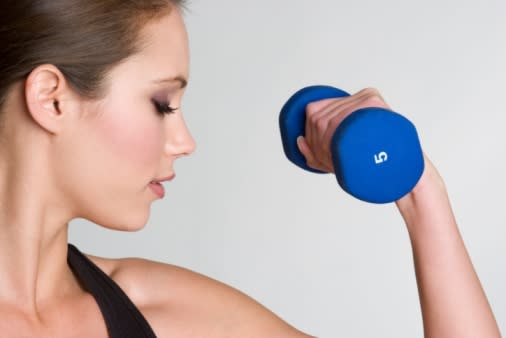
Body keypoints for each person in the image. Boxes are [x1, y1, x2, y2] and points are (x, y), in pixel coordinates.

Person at [0, 1, 501, 337]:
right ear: (52, 99)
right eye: (162, 103)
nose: (185, 141)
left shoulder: (161, 311)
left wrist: (417, 189)